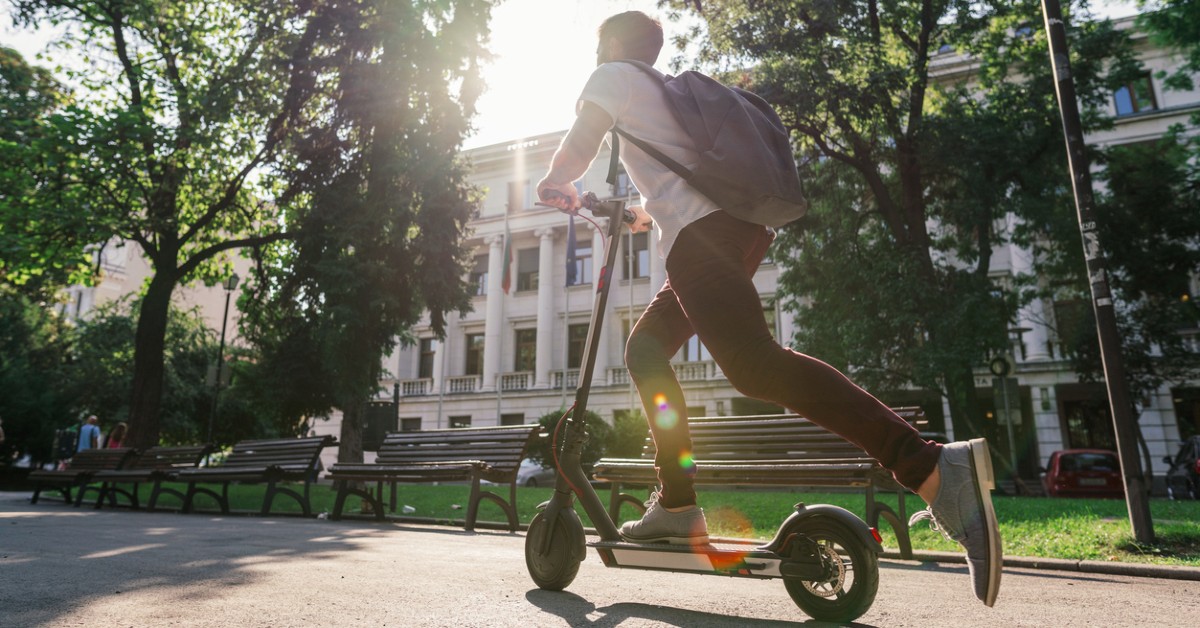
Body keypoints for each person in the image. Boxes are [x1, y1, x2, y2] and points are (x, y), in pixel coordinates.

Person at [536, 10, 1002, 607]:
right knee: (647, 348)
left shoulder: (612, 77)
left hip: (703, 242)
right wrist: (637, 215)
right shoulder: (658, 96)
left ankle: (929, 467)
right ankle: (677, 505)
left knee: (753, 366)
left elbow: (580, 141)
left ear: (610, 46)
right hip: (733, 232)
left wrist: (554, 180)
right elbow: (679, 185)